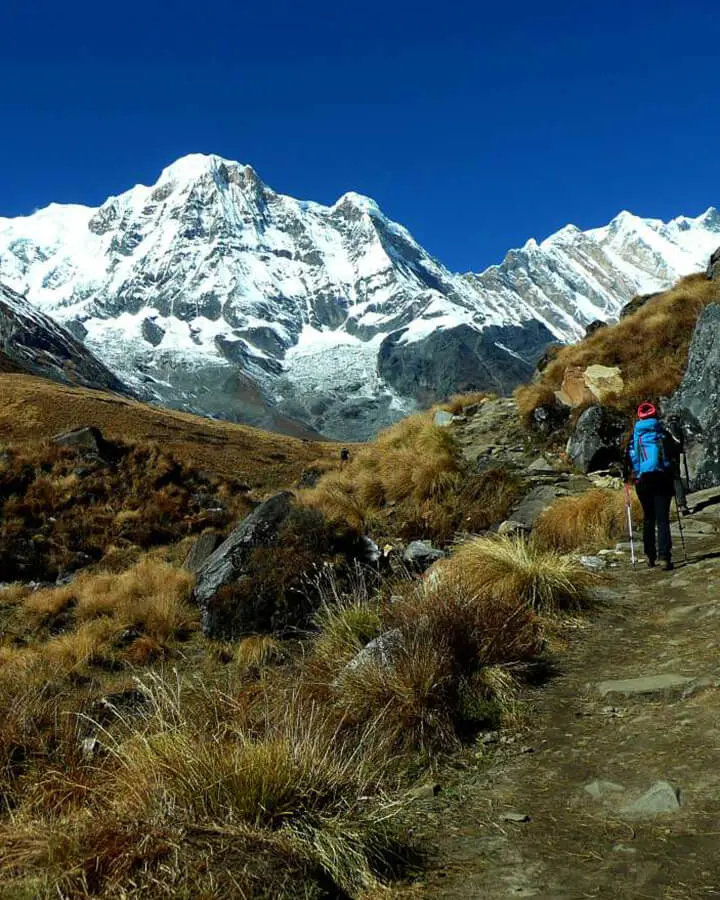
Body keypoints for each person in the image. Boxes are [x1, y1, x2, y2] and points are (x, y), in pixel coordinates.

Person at [624, 402, 675, 571]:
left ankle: (649, 555)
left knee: (648, 517)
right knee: (662, 519)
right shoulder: (663, 433)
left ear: (639, 417)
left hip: (643, 480)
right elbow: (674, 454)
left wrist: (630, 477)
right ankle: (664, 557)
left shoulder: (635, 437)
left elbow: (628, 459)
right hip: (662, 478)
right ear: (655, 415)